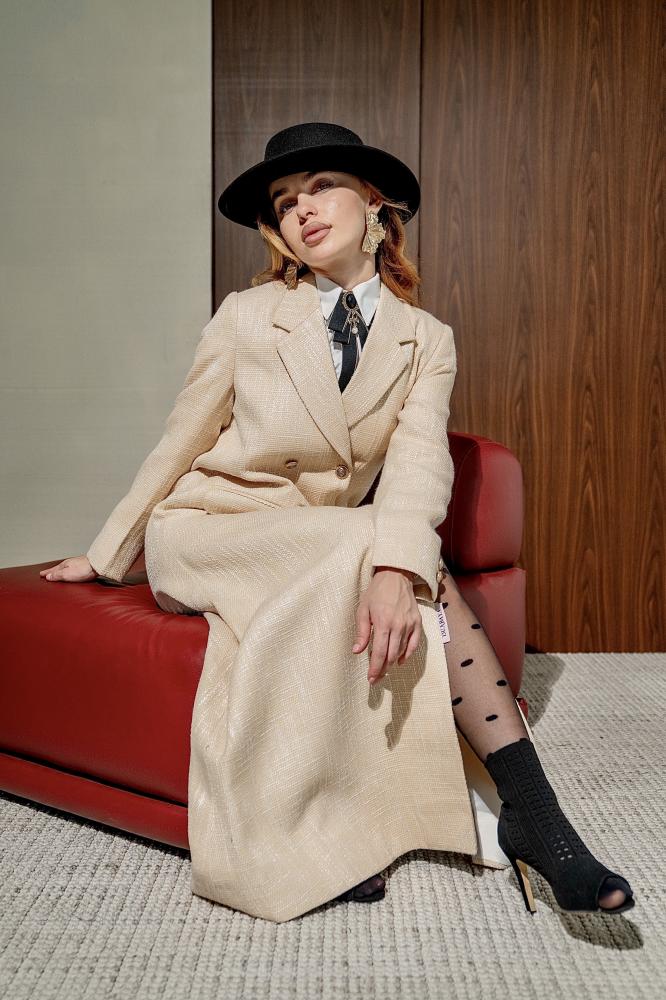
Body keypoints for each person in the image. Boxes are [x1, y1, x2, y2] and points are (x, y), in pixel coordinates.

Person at [41, 122, 634, 922]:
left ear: (375, 203)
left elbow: (420, 463)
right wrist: (109, 552)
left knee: (392, 549)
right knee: (387, 547)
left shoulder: (426, 340)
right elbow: (181, 438)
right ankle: (536, 815)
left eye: (321, 187)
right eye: (285, 202)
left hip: (320, 547)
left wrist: (396, 568)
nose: (302, 209)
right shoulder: (248, 315)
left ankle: (518, 813)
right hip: (213, 528)